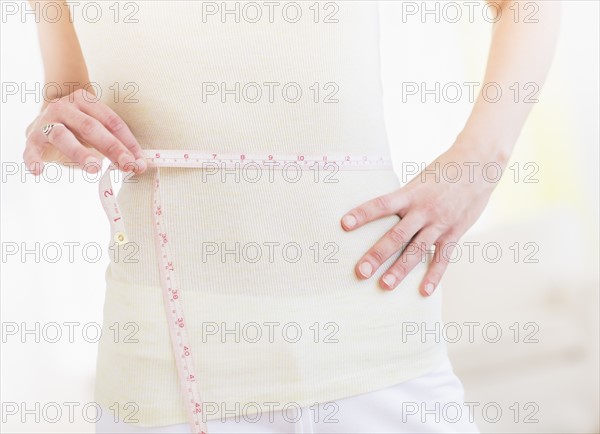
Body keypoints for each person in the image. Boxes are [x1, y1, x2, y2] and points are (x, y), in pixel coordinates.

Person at [23, 1, 561, 433]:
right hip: (161, 363)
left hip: (365, 337)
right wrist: (55, 126)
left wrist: (480, 161)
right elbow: (70, 96)